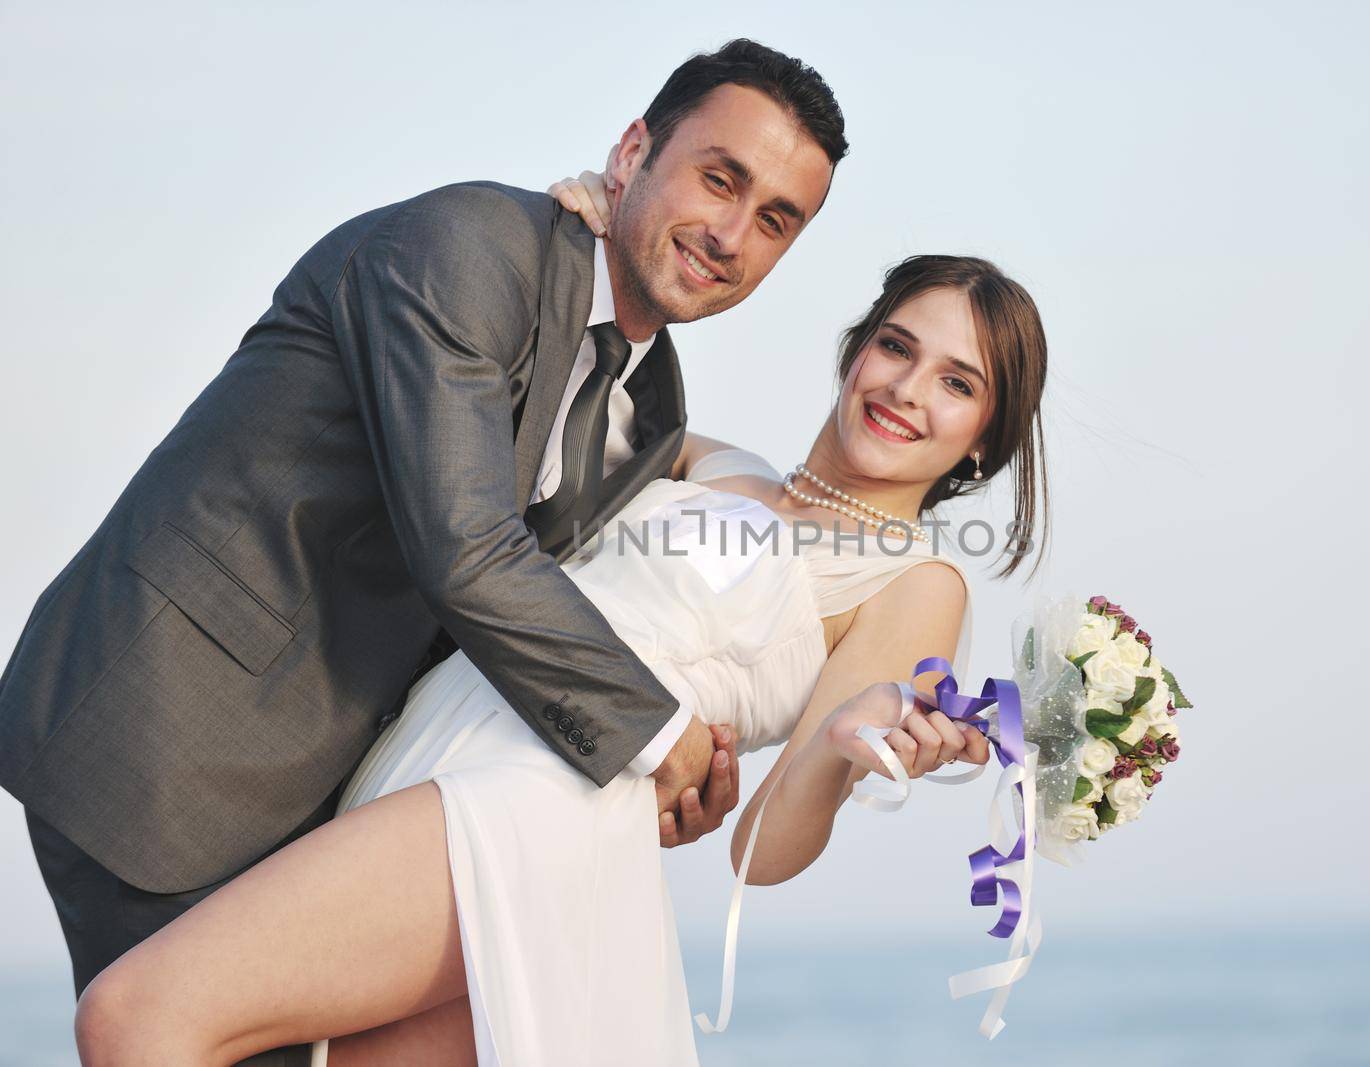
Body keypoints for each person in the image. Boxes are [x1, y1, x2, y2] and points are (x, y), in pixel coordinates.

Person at [0, 38, 845, 1067]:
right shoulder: (471, 245)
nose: (730, 233)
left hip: (334, 785)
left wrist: (654, 770)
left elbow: (552, 591)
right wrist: (648, 734)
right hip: (171, 723)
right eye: (720, 178)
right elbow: (468, 550)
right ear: (632, 153)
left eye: (774, 221)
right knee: (162, 1026)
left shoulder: (653, 406)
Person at [70, 176, 1053, 1061]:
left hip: (534, 801)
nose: (906, 389)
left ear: (985, 440)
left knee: (139, 1016)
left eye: (957, 384)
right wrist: (578, 238)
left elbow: (763, 846)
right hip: (423, 749)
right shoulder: (711, 462)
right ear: (857, 347)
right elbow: (561, 381)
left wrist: (840, 749)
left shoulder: (918, 580)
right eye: (897, 346)